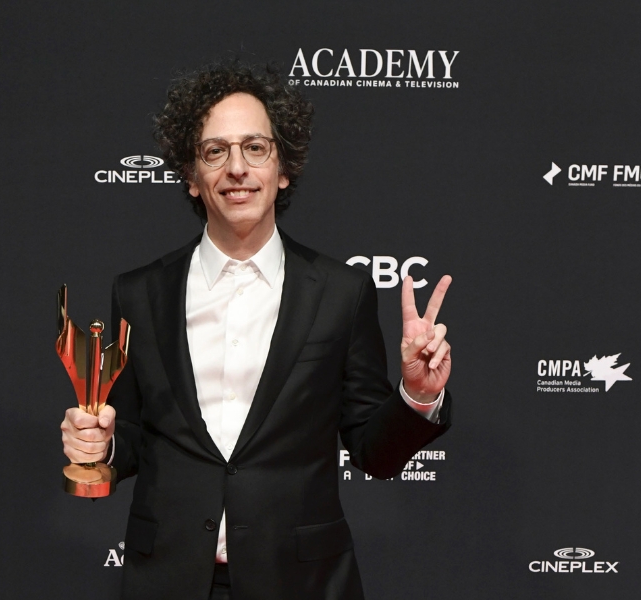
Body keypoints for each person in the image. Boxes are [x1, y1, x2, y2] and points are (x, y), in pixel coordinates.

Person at [61, 62, 452, 600]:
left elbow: (374, 453)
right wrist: (100, 444)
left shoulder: (342, 293)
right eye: (214, 151)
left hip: (303, 583)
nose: (237, 168)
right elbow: (131, 433)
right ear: (192, 177)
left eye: (255, 148)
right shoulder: (139, 293)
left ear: (283, 168)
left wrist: (417, 395)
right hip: (169, 580)